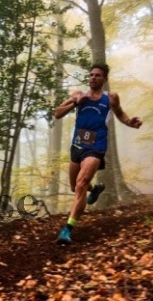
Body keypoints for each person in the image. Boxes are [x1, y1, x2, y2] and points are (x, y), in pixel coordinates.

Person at [54, 63, 142, 244]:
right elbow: (57, 113)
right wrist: (74, 102)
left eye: (98, 75)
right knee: (74, 186)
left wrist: (130, 122)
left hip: (96, 147)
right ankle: (96, 189)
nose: (93, 77)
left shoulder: (110, 98)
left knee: (81, 184)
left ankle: (67, 229)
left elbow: (120, 114)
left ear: (105, 79)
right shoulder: (78, 95)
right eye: (91, 75)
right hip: (78, 145)